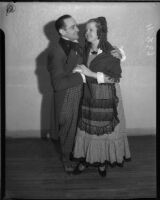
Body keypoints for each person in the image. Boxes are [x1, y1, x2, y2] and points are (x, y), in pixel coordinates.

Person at [47, 15, 124, 174]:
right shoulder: (56, 51)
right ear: (62, 31)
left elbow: (102, 54)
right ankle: (68, 159)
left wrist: (120, 54)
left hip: (88, 95)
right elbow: (57, 84)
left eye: (77, 26)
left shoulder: (80, 45)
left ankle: (90, 159)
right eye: (73, 27)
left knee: (85, 130)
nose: (79, 29)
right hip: (68, 96)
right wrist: (81, 75)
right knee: (69, 131)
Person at [72, 17, 131, 177]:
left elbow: (115, 78)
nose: (87, 33)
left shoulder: (112, 52)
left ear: (100, 32)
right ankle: (85, 160)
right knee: (88, 128)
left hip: (107, 97)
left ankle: (102, 162)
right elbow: (81, 69)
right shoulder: (84, 50)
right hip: (90, 95)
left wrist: (91, 73)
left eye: (91, 30)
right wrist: (80, 73)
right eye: (86, 30)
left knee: (105, 131)